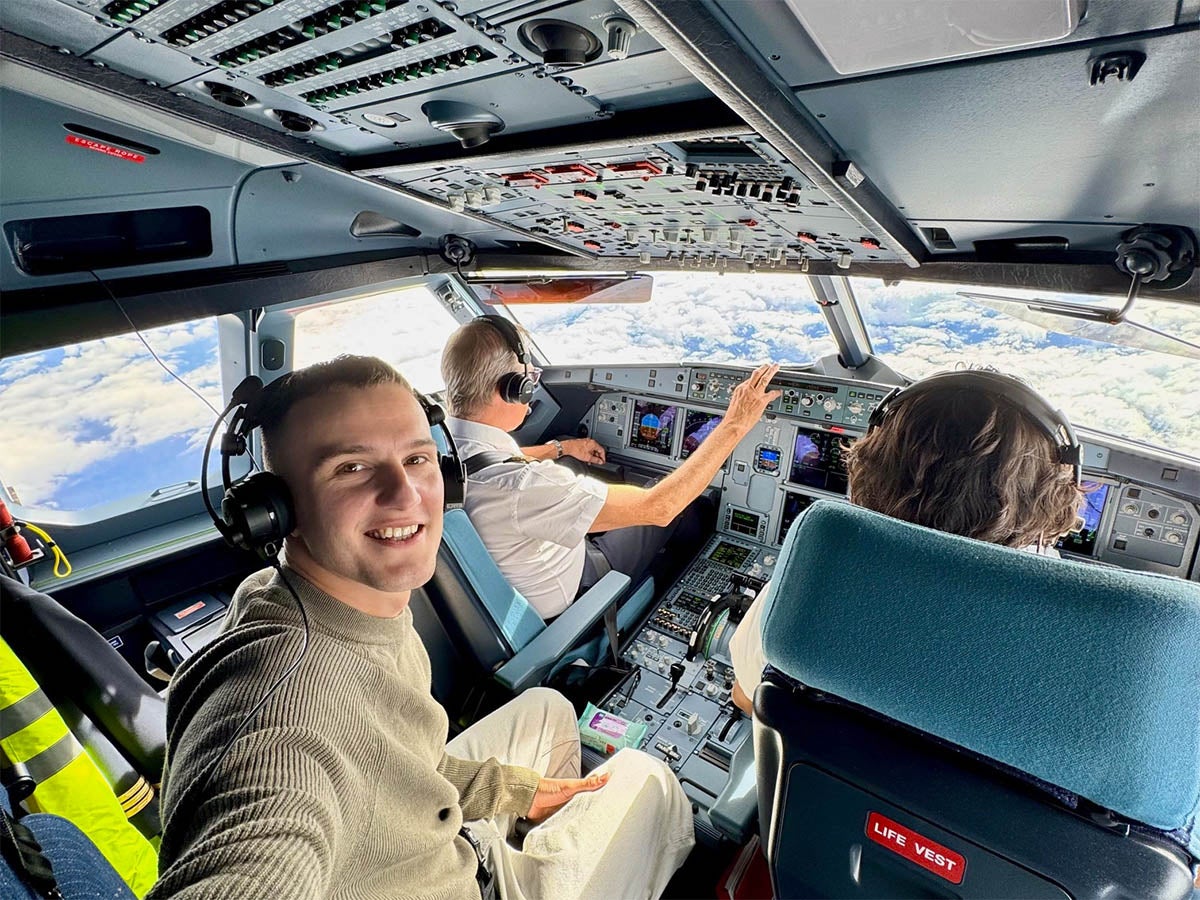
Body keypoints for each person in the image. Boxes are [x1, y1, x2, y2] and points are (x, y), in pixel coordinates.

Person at [148, 356, 694, 900]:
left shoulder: (290, 593)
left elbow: (406, 764)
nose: (405, 495)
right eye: (351, 468)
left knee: (548, 709)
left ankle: (544, 846)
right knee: (650, 781)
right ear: (277, 511)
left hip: (430, 836)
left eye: (416, 458)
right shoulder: (283, 717)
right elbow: (251, 851)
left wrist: (519, 792)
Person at [728, 369, 1084, 715]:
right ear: (1049, 490)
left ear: (874, 460)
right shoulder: (1058, 632)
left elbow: (746, 698)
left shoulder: (806, 586)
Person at [441, 315, 781, 619]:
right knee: (685, 501)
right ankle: (670, 590)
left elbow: (489, 464)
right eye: (530, 377)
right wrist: (735, 424)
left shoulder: (437, 451)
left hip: (502, 585)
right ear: (514, 390)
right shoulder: (526, 487)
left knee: (572, 460)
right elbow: (661, 506)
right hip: (581, 590)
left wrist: (560, 448)